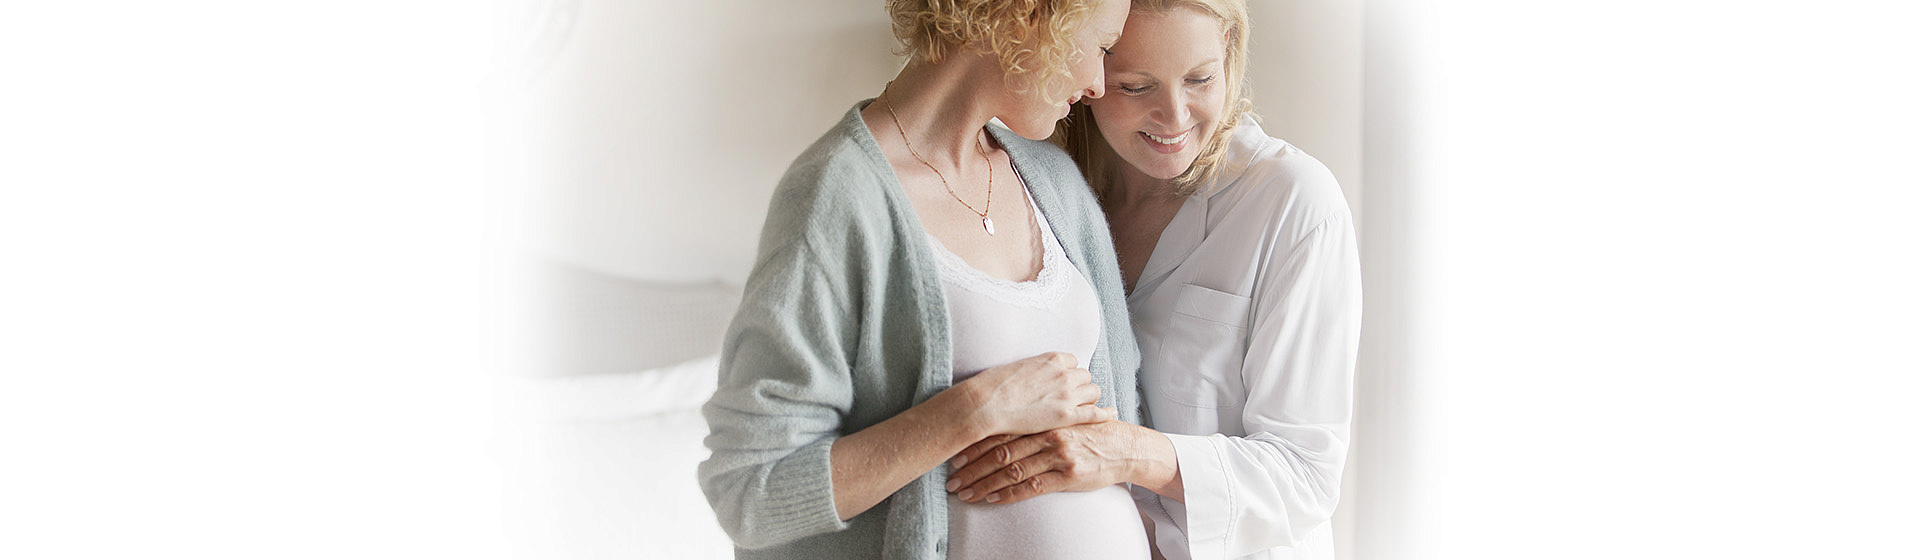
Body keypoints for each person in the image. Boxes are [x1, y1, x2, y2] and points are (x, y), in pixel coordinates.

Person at [697, 1, 1155, 559]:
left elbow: (1122, 415)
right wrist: (972, 410)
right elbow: (750, 491)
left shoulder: (1054, 181)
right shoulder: (837, 199)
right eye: (1100, 46)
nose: (1098, 84)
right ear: (1031, 14)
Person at [942, 1, 1362, 558]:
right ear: (1085, 67)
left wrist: (1125, 452)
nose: (1175, 116)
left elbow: (1305, 476)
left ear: (1229, 49)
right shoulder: (1036, 184)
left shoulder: (1292, 202)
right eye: (1136, 87)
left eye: (1200, 79)